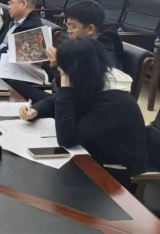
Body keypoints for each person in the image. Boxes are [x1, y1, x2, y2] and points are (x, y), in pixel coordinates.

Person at [19, 37, 146, 189]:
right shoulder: (94, 78)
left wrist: (66, 89)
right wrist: (35, 110)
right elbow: (55, 101)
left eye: (63, 70)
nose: (61, 72)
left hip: (114, 171)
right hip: (90, 151)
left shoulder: (114, 100)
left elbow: (67, 138)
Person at [14, 0, 127, 102]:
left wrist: (57, 66)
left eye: (73, 26)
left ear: (90, 29)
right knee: (16, 82)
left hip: (73, 104)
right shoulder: (81, 46)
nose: (68, 31)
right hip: (60, 93)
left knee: (16, 86)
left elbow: (72, 91)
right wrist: (43, 64)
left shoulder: (103, 56)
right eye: (67, 26)